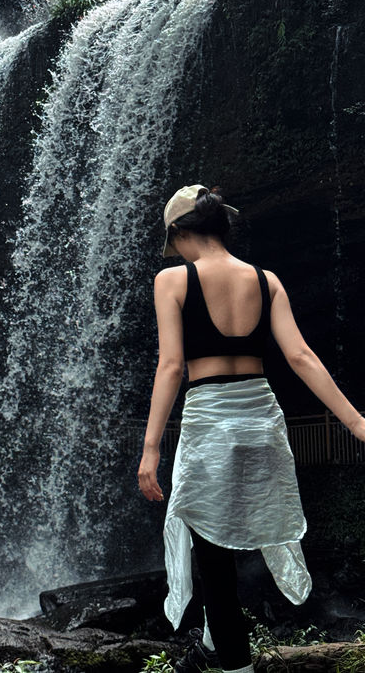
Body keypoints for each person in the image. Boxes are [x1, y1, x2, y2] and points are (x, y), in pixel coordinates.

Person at [137, 184, 365, 673]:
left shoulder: (172, 280)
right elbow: (301, 357)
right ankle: (216, 646)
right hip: (263, 420)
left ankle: (235, 666)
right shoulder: (267, 280)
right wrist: (357, 422)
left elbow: (172, 366)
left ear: (179, 233)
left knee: (214, 559)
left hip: (211, 425)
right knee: (244, 531)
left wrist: (151, 448)